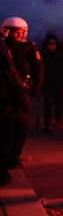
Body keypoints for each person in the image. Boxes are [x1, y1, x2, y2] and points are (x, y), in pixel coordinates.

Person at [2, 17, 43, 168]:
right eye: (16, 33)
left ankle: (14, 157)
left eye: (22, 32)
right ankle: (6, 159)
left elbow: (38, 67)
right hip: (4, 93)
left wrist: (37, 86)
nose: (19, 36)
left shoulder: (29, 47)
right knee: (6, 128)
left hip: (20, 93)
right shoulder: (3, 47)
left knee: (21, 126)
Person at [0, 33, 27, 185]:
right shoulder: (1, 45)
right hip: (2, 96)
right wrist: (21, 91)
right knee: (5, 132)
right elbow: (10, 68)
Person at [40, 33, 63, 133]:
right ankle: (47, 125)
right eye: (50, 44)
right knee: (48, 104)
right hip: (46, 84)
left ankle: (58, 119)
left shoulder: (61, 55)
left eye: (53, 44)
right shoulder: (42, 55)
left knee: (58, 103)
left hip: (58, 84)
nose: (51, 46)